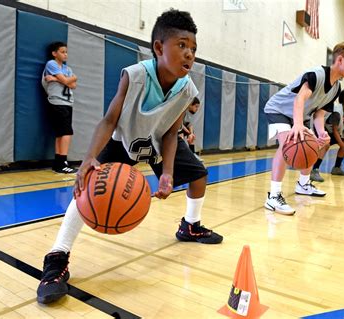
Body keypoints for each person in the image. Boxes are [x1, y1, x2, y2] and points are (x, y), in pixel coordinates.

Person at [37, 9, 223, 305]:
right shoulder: (135, 76)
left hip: (159, 141)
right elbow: (109, 119)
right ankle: (57, 256)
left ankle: (190, 225)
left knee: (199, 174)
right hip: (124, 139)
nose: (190, 54)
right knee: (87, 186)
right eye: (182, 46)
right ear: (159, 48)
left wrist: (167, 173)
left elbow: (172, 133)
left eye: (194, 49)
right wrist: (88, 158)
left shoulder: (187, 89)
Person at [263, 42, 344, 215]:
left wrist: (321, 132)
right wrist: (298, 124)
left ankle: (303, 184)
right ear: (340, 60)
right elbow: (300, 99)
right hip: (279, 109)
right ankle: (273, 196)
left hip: (300, 115)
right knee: (289, 143)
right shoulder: (317, 75)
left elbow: (319, 114)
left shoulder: (336, 88)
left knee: (313, 145)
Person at [42, 42, 78, 174]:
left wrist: (57, 79)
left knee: (61, 133)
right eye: (62, 52)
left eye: (66, 52)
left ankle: (58, 163)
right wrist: (71, 79)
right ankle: (63, 162)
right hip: (58, 102)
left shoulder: (67, 69)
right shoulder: (51, 64)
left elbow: (72, 85)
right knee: (66, 132)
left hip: (67, 102)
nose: (65, 54)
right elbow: (68, 81)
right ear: (54, 53)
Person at [310, 88, 344, 182]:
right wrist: (343, 146)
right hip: (322, 130)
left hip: (333, 132)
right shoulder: (337, 112)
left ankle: (336, 168)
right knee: (326, 145)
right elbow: (335, 131)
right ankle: (314, 170)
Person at [178, 96, 203, 162]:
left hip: (183, 127)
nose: (197, 109)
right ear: (190, 105)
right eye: (196, 106)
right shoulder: (183, 111)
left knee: (192, 135)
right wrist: (189, 133)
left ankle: (193, 153)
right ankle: (181, 155)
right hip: (178, 127)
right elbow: (180, 124)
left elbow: (190, 124)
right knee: (181, 135)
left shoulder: (190, 113)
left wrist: (191, 133)